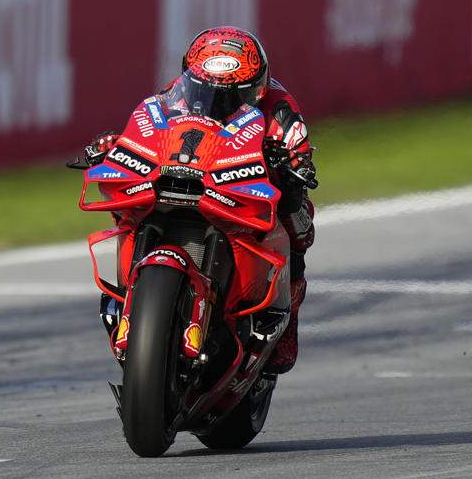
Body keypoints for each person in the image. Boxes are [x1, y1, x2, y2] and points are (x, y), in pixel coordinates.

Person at [79, 26, 317, 375]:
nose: (219, 100)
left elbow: (299, 148)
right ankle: (131, 295)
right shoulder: (175, 94)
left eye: (235, 94)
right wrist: (116, 145)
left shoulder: (279, 107)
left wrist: (294, 163)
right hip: (192, 172)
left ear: (258, 86)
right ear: (190, 77)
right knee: (128, 209)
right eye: (206, 90)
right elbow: (149, 127)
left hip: (247, 180)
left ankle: (285, 322)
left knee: (300, 225)